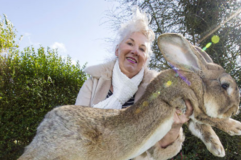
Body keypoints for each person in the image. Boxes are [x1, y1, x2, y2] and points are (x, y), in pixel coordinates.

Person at [75, 8, 193, 160]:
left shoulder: (157, 92)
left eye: (142, 49)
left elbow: (158, 151)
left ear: (145, 59)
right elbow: (76, 131)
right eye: (130, 43)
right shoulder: (92, 85)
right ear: (117, 50)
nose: (135, 51)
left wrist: (174, 128)